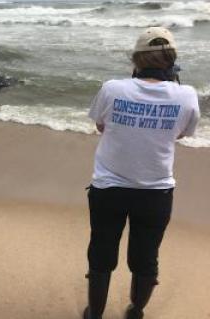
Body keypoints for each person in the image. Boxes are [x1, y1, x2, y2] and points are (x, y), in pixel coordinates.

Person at [83, 27, 200, 319]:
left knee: (101, 253)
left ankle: (94, 314)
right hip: (156, 192)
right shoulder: (186, 95)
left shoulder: (113, 88)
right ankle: (135, 311)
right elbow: (183, 134)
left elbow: (100, 125)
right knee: (146, 258)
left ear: (136, 59)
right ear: (172, 61)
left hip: (109, 187)